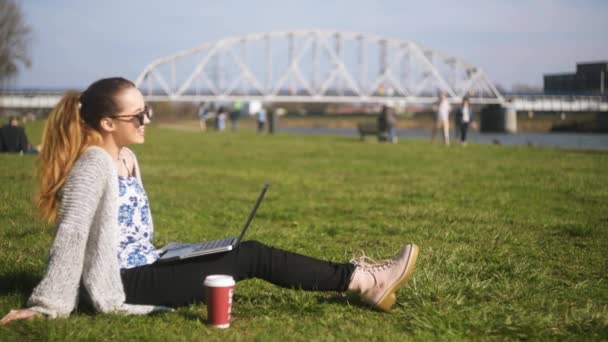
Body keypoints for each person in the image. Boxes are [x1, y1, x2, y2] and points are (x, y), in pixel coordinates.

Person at [0, 77, 419, 325]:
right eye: (137, 116)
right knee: (250, 255)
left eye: (147, 111)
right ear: (108, 123)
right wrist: (48, 305)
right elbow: (71, 235)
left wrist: (175, 255)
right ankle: (364, 280)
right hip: (122, 285)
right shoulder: (93, 165)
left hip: (148, 263)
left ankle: (361, 279)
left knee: (233, 248)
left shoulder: (125, 157)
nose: (147, 120)